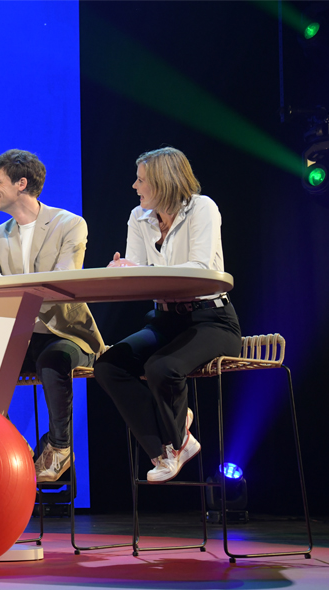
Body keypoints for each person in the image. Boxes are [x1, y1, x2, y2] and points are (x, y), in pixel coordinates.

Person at [94, 147, 241, 483]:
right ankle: (173, 445)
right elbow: (136, 274)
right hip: (166, 319)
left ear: (163, 182)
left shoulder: (202, 209)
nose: (135, 186)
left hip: (211, 319)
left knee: (162, 368)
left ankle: (174, 442)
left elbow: (201, 269)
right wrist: (121, 269)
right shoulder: (138, 217)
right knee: (108, 365)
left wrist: (140, 268)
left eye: (141, 179)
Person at [0, 149, 106, 482]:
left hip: (67, 334)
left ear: (21, 184)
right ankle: (12, 443)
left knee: (54, 358)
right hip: (22, 337)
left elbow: (61, 282)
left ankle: (60, 448)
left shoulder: (69, 224)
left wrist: (0, 281)